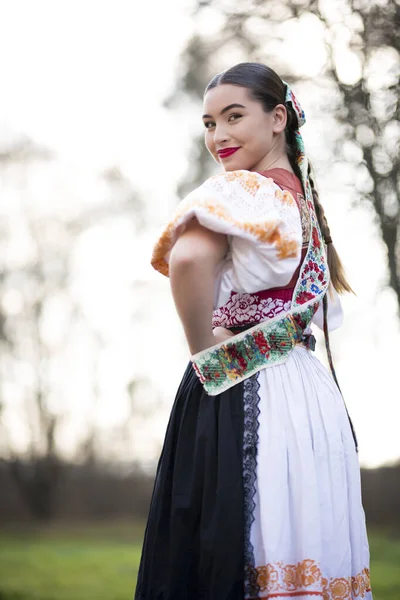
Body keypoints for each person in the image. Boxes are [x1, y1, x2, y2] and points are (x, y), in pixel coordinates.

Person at [134, 62, 372, 600]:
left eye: (234, 117)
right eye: (209, 123)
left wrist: (207, 352)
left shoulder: (246, 190)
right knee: (299, 546)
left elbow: (190, 258)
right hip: (308, 396)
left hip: (249, 392)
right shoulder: (303, 203)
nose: (219, 136)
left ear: (278, 118)